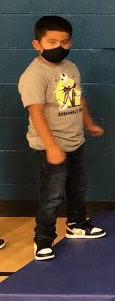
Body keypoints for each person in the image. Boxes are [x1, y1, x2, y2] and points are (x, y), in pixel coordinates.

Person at [18, 15, 106, 261]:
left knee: (77, 188)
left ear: (70, 43)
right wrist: (51, 146)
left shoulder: (70, 68)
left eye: (64, 42)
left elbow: (77, 98)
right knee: (53, 194)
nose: (59, 47)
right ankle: (43, 239)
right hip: (51, 145)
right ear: (38, 44)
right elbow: (35, 113)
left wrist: (88, 124)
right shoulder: (34, 75)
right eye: (52, 41)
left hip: (75, 140)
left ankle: (76, 224)